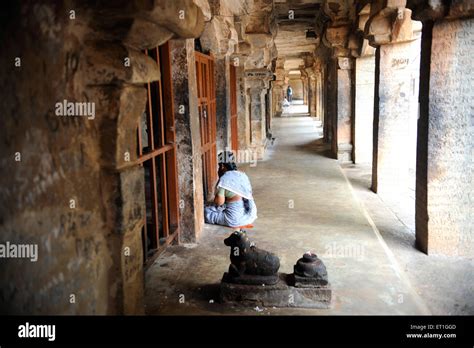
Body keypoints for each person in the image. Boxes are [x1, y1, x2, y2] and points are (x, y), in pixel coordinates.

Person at [204, 151, 257, 228]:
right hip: (249, 215)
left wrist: (217, 196)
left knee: (206, 212)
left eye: (219, 166)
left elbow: (219, 202)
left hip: (233, 219)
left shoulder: (225, 179)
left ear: (222, 166)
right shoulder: (242, 175)